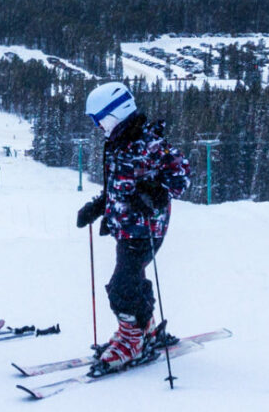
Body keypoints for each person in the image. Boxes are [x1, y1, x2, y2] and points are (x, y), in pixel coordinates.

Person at [75, 82, 192, 370]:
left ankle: (132, 340)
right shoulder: (119, 144)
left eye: (99, 120)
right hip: (126, 226)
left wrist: (154, 192)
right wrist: (98, 206)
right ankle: (144, 328)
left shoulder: (148, 143)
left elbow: (181, 175)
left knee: (122, 287)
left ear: (115, 115)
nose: (98, 127)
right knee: (132, 279)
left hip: (146, 229)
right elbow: (120, 186)